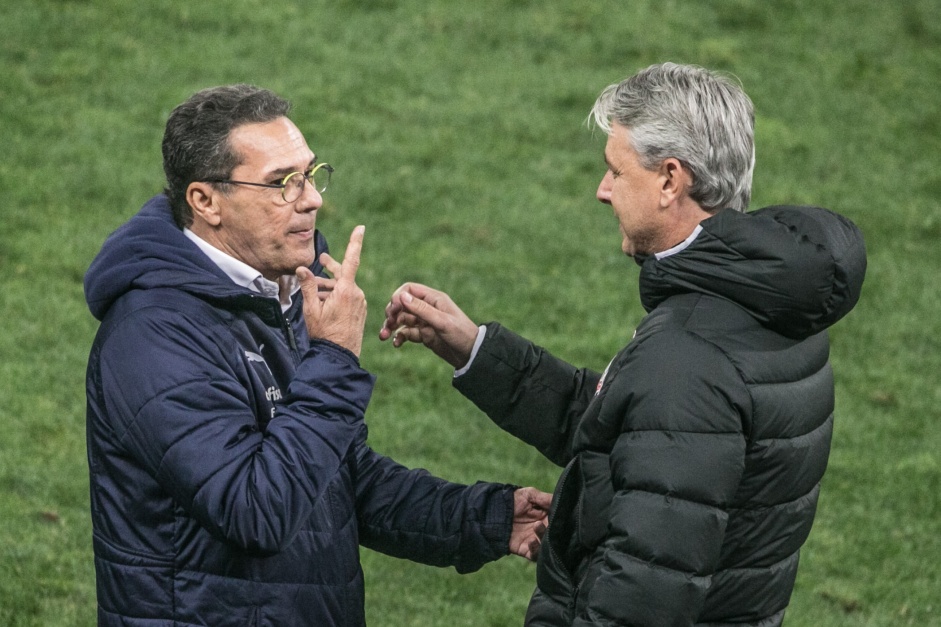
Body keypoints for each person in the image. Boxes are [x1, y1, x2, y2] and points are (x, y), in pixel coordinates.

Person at [379, 63, 867, 626]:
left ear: (669, 180)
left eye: (616, 170)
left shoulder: (688, 356)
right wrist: (477, 351)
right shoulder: (769, 303)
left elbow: (644, 594)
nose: (602, 190)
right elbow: (637, 435)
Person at [83, 84, 551, 627]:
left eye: (309, 174)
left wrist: (488, 519)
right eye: (282, 183)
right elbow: (257, 511)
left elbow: (337, 480)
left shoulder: (271, 292)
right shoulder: (154, 335)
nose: (311, 199)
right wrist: (331, 355)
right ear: (205, 201)